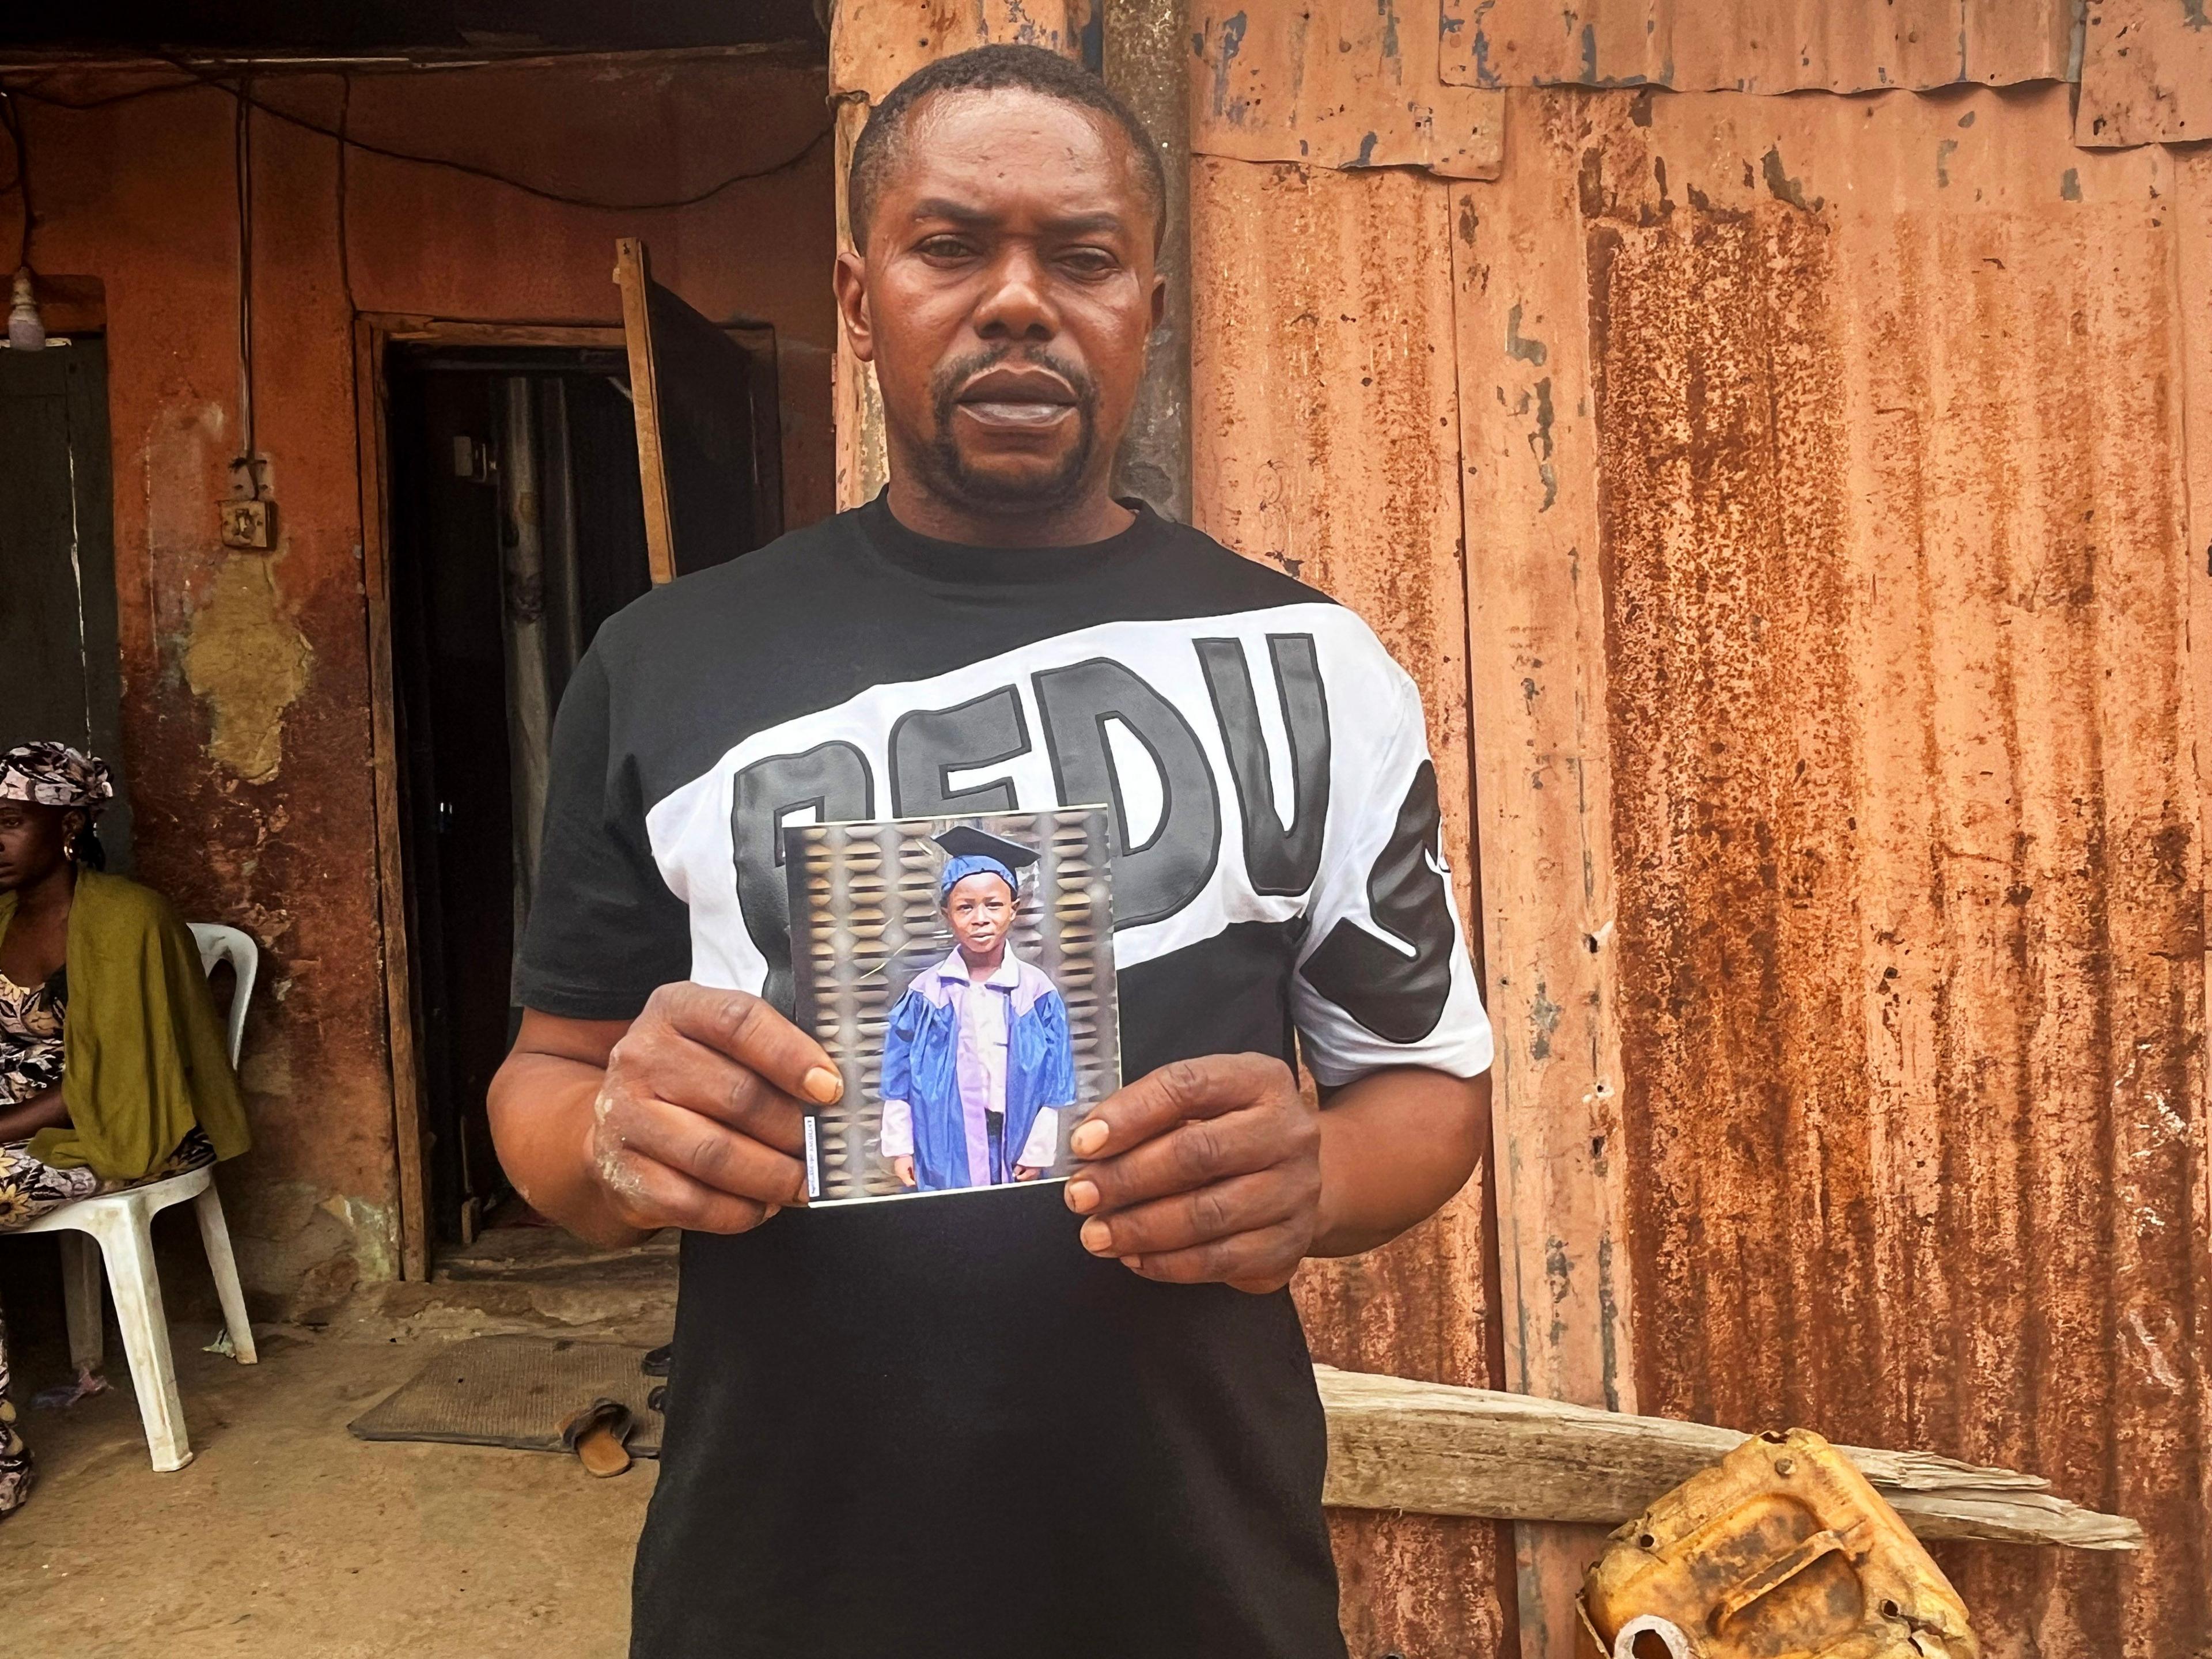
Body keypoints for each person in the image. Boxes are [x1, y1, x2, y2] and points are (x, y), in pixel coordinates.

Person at [488, 43, 1493, 1659]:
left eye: (1082, 257)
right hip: (780, 1580)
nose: (1018, 302)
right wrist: (614, 1144)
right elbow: (544, 1085)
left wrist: (1316, 1179)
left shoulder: (1316, 663)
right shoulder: (664, 665)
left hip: (1196, 1576)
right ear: (859, 292)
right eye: (951, 246)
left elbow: (1428, 1095)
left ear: (1147, 311)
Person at [0, 743, 251, 1518]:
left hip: (136, 1122)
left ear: (68, 824)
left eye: (9, 823)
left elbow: (124, 1082)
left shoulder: (131, 918)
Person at [878, 827, 1075, 1191]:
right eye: (965, 907)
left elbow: (1055, 1085)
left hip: (1015, 1137)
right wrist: (901, 1148)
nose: (980, 918)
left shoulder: (1036, 994)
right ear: (946, 914)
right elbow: (898, 1080)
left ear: (1014, 910)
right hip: (943, 1141)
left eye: (994, 905)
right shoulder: (926, 994)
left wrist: (1037, 1150)